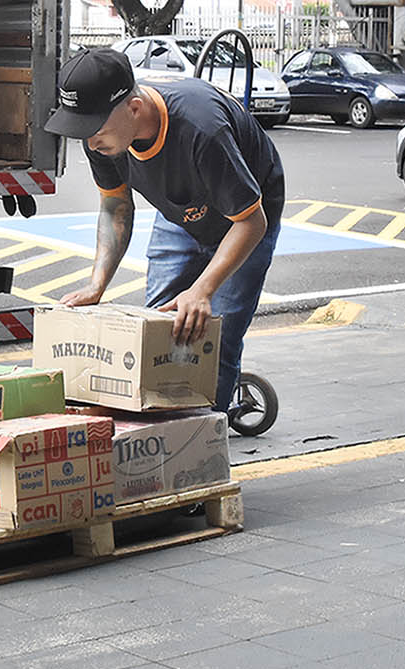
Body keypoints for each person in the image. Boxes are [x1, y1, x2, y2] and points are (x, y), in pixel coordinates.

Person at [43, 45, 283, 414]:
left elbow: (252, 221)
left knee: (215, 336)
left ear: (134, 109)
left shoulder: (203, 129)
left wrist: (202, 289)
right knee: (156, 328)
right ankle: (155, 430)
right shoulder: (103, 136)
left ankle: (202, 443)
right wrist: (97, 284)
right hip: (184, 211)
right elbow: (114, 205)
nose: (89, 143)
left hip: (246, 218)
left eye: (94, 131)